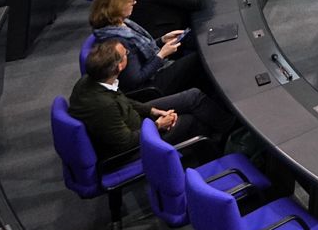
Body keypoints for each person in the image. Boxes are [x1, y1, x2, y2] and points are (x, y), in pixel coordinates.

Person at [69, 38, 232, 162]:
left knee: (193, 96)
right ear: (119, 67)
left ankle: (228, 127)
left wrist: (152, 111)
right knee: (192, 121)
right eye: (126, 54)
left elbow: (123, 100)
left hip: (132, 119)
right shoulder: (104, 106)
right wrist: (158, 125)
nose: (128, 52)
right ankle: (222, 155)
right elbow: (125, 143)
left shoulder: (94, 79)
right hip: (134, 145)